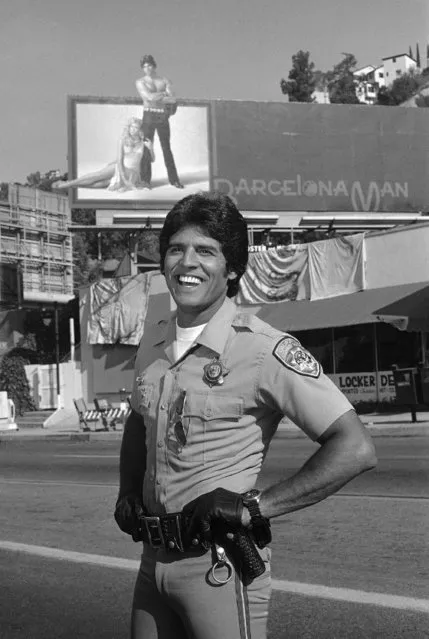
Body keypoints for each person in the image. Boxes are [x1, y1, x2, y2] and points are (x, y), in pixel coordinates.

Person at [114, 192, 377, 639]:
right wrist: (126, 491)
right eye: (176, 249)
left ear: (232, 268)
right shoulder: (153, 341)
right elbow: (140, 419)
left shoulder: (262, 349)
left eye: (206, 251)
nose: (187, 262)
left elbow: (354, 448)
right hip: (152, 564)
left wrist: (256, 507)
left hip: (219, 567)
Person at [52, 118, 154, 192]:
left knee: (103, 184)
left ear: (140, 129)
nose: (133, 130)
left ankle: (72, 185)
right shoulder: (122, 140)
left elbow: (152, 159)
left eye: (136, 128)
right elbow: (120, 159)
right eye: (132, 127)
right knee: (99, 175)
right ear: (129, 127)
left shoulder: (143, 142)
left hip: (133, 173)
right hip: (120, 167)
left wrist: (151, 148)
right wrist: (123, 178)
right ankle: (66, 184)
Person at [136, 54, 184, 189]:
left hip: (162, 116)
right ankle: (145, 180)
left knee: (166, 147)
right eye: (144, 66)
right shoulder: (140, 82)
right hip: (148, 115)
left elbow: (173, 99)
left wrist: (159, 97)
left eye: (149, 65)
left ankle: (174, 179)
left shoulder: (164, 80)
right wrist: (164, 95)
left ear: (154, 66)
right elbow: (148, 97)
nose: (147, 68)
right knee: (146, 146)